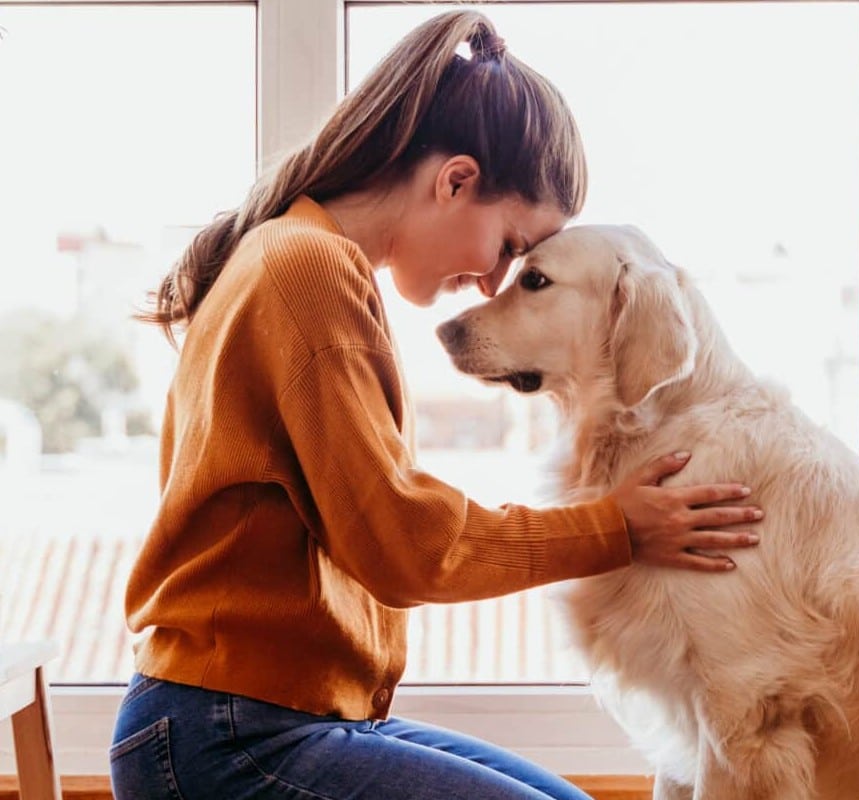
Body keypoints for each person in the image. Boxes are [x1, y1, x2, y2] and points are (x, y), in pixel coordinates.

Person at [109, 10, 761, 800]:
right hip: (223, 736)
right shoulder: (306, 271)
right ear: (455, 180)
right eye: (513, 248)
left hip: (266, 721)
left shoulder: (303, 257)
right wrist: (615, 527)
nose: (494, 283)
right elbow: (403, 545)